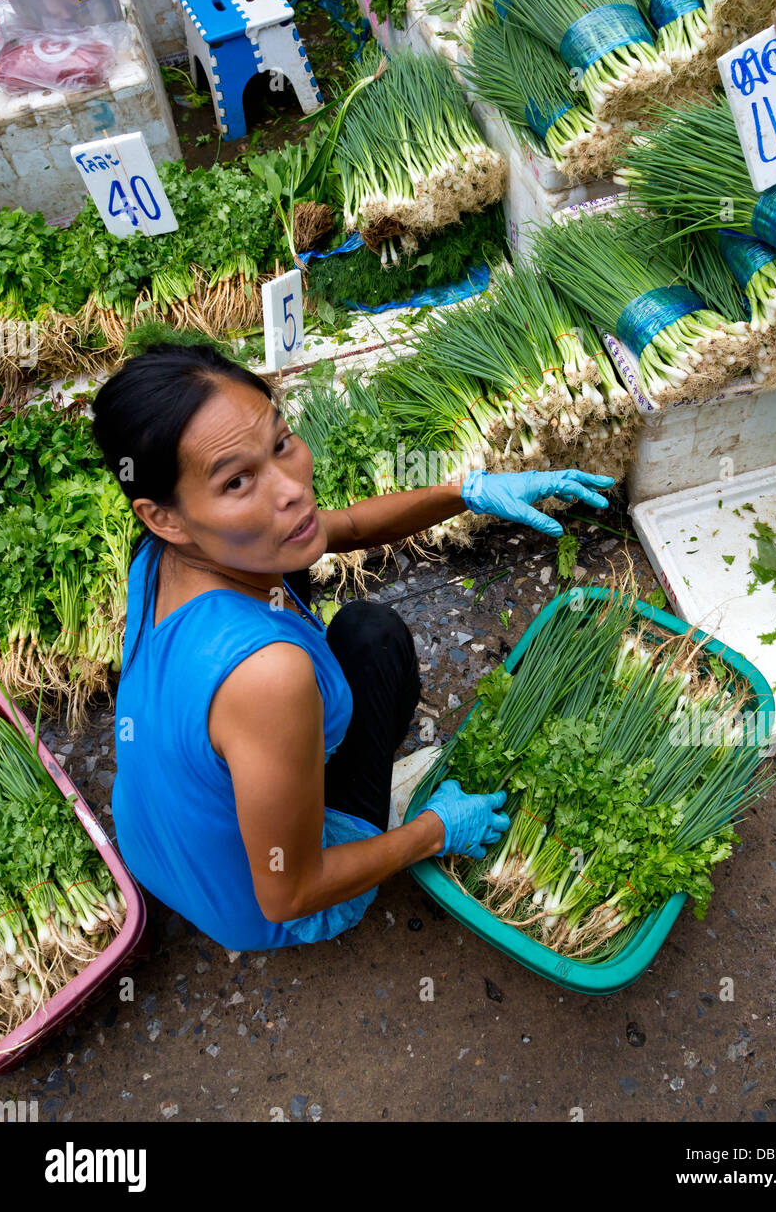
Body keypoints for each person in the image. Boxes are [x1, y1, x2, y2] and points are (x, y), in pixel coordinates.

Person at [91, 342, 614, 952]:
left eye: (282, 443)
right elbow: (288, 893)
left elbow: (350, 527)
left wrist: (467, 493)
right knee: (375, 640)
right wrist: (433, 830)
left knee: (362, 629)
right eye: (237, 481)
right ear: (165, 516)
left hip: (153, 841)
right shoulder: (267, 676)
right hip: (264, 906)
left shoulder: (164, 558)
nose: (290, 489)